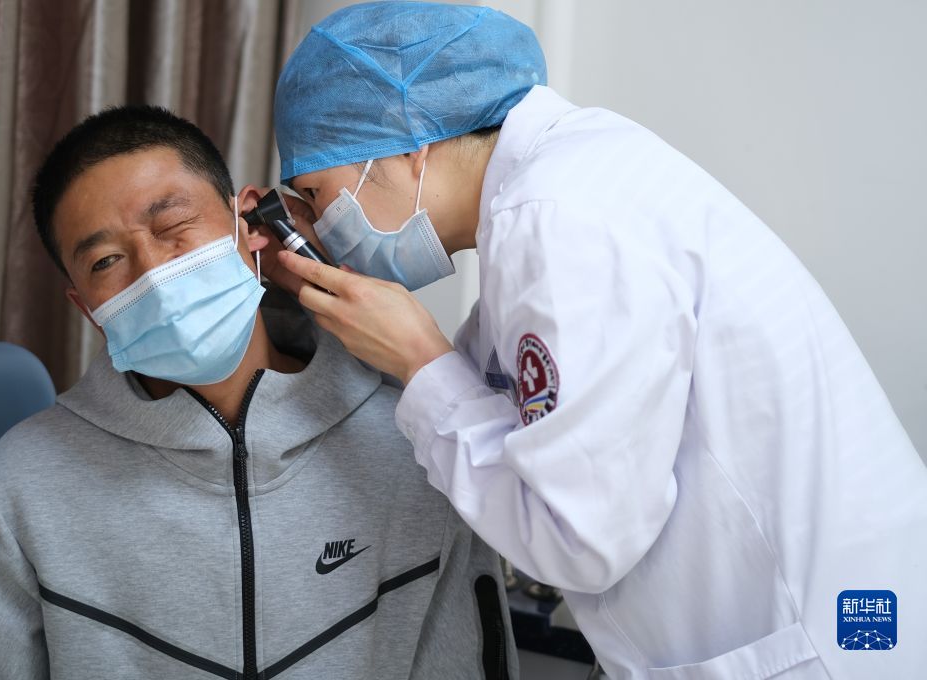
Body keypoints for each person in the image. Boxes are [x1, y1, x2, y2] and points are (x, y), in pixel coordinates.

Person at [264, 3, 927, 679]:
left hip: (819, 646)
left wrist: (418, 357)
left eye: (317, 194)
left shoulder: (558, 218)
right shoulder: (560, 185)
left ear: (404, 145)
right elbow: (495, 399)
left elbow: (578, 538)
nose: (323, 224)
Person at [0, 105, 518, 680]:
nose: (154, 273)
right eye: (106, 261)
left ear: (249, 227)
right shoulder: (20, 488)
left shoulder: (417, 444)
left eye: (173, 227)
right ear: (88, 310)